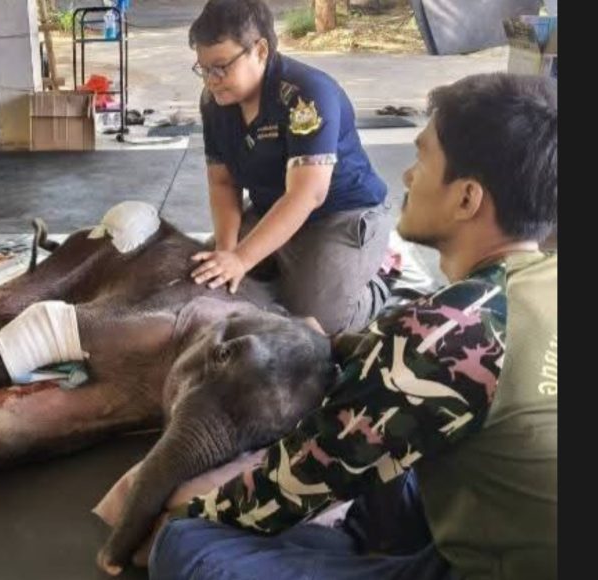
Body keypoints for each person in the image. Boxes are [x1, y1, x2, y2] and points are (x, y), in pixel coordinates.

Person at [148, 72, 557, 579]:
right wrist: (344, 345)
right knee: (389, 455)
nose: (407, 176)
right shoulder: (543, 282)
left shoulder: (449, 330)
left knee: (187, 546)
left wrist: (184, 509)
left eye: (423, 160)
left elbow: (276, 495)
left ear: (467, 199)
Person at [188, 0, 392, 335]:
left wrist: (242, 259)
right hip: (271, 210)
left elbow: (307, 194)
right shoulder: (215, 103)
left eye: (221, 67)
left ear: (260, 50)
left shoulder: (307, 95)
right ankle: (291, 271)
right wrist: (227, 251)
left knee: (316, 323)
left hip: (338, 215)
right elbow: (223, 183)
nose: (212, 81)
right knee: (205, 280)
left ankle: (377, 281)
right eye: (204, 68)